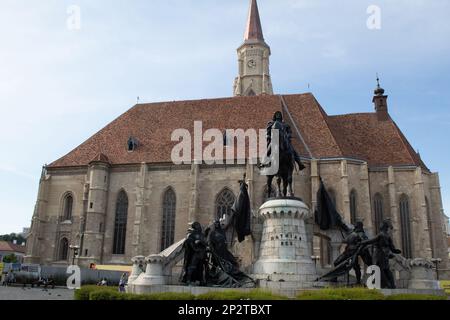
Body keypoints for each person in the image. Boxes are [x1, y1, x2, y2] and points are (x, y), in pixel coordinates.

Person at [360, 219, 401, 289]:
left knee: (378, 269)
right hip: (385, 255)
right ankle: (392, 285)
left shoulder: (381, 234)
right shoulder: (388, 236)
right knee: (386, 270)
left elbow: (371, 241)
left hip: (379, 254)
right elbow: (392, 247)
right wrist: (396, 251)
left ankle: (387, 284)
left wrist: (362, 242)